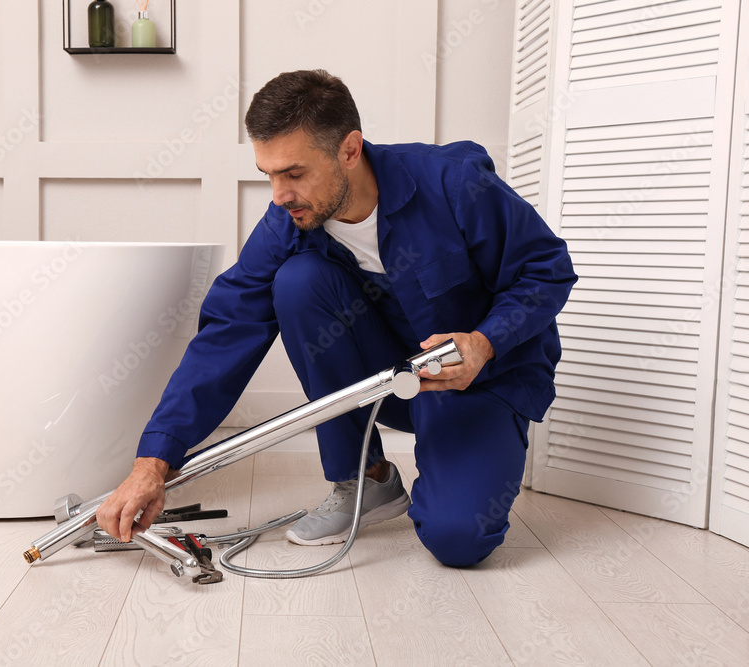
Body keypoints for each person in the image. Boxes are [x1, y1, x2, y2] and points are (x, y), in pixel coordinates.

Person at [96, 69, 577, 567]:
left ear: (350, 150)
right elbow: (226, 330)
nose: (279, 194)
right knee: (299, 281)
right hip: (390, 385)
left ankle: (464, 461)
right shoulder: (289, 223)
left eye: (295, 173)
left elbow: (547, 269)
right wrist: (153, 462)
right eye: (269, 174)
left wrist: (484, 341)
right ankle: (366, 482)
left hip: (478, 381)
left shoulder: (452, 183)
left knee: (458, 540)